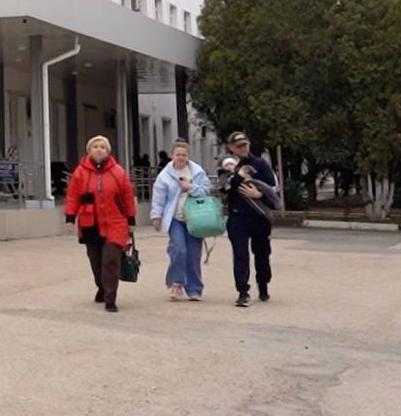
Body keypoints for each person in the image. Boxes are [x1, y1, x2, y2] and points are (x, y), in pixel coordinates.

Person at [64, 135, 137, 313]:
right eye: (95, 146)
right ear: (89, 151)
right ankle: (102, 287)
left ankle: (110, 297)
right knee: (95, 261)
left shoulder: (118, 172)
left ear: (108, 151)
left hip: (115, 222)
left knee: (110, 260)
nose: (99, 149)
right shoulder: (80, 172)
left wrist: (131, 219)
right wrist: (70, 217)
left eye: (103, 147)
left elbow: (127, 196)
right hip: (90, 222)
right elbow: (72, 196)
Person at [150, 140, 212, 301]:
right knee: (178, 250)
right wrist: (156, 216)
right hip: (175, 218)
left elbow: (207, 190)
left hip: (195, 218)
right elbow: (158, 197)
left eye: (184, 155)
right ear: (173, 155)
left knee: (193, 253)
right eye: (178, 154)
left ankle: (194, 288)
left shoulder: (197, 172)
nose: (181, 157)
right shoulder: (165, 175)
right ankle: (176, 283)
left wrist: (191, 188)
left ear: (188, 156)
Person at [223, 131, 279, 307]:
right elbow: (224, 187)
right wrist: (238, 175)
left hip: (259, 216)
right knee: (240, 255)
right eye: (238, 146)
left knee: (262, 253)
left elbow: (273, 189)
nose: (242, 148)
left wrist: (259, 195)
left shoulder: (260, 164)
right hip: (237, 217)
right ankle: (243, 291)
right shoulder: (227, 165)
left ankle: (263, 285)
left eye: (245, 145)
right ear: (231, 147)